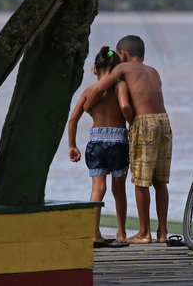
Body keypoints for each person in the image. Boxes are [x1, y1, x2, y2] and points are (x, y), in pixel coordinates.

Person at [80, 35, 172, 244]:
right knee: (160, 181)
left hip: (144, 123)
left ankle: (144, 233)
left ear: (123, 54)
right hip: (164, 122)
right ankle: (162, 233)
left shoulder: (123, 69)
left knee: (141, 181)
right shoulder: (154, 71)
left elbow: (102, 87)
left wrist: (86, 106)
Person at [68, 46, 133, 248]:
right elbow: (124, 106)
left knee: (98, 188)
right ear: (116, 69)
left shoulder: (89, 92)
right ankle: (121, 233)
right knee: (118, 188)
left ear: (94, 70)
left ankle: (95, 234)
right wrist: (132, 124)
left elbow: (73, 120)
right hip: (117, 142)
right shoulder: (120, 86)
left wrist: (72, 145)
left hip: (95, 142)